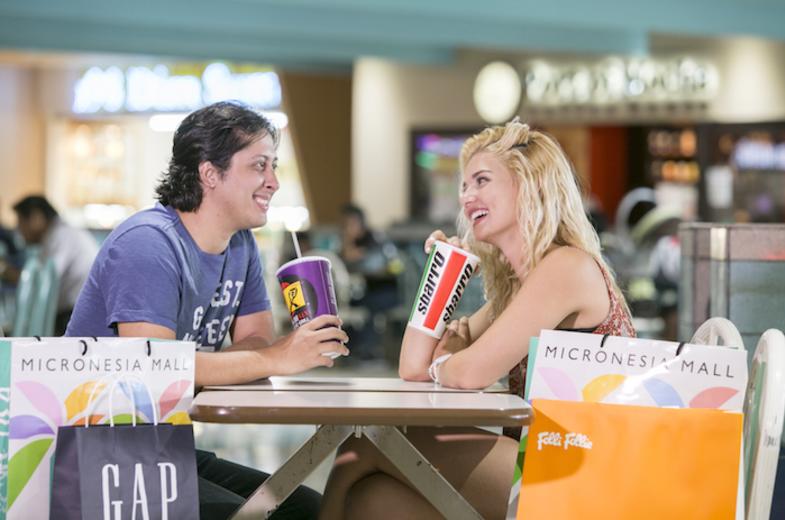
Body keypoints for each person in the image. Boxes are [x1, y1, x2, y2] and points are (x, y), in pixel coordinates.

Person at [320, 119, 635, 519]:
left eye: (482, 181)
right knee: (369, 500)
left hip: (587, 475)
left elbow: (468, 374)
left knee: (368, 441)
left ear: (530, 184)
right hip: (548, 459)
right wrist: (441, 275)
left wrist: (454, 356)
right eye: (464, 186)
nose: (467, 197)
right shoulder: (519, 287)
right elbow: (414, 368)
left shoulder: (566, 268)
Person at [66, 101, 349, 520]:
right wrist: (272, 357)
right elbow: (154, 369)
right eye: (259, 166)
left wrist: (224, 361)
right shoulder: (148, 244)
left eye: (273, 166)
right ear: (210, 173)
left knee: (308, 510)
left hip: (162, 448)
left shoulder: (241, 244)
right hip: (95, 457)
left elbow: (255, 340)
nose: (273, 181)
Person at [0, 195, 98, 335]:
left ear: (36, 217)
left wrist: (4, 270)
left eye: (20, 222)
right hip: (73, 312)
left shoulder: (61, 235)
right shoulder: (58, 234)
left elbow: (39, 281)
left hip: (74, 315)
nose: (19, 229)